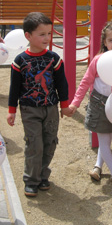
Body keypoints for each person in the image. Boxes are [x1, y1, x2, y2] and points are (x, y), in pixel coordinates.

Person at [7, 12, 72, 197]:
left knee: (49, 143)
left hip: (51, 109)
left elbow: (62, 84)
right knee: (34, 144)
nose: (47, 38)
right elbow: (14, 88)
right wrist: (11, 111)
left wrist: (64, 105)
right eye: (42, 34)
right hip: (29, 109)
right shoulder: (20, 61)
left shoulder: (54, 59)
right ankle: (31, 180)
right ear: (28, 36)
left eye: (49, 34)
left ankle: (43, 175)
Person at [69, 19, 112, 188]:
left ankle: (97, 166)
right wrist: (75, 104)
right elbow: (85, 82)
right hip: (99, 104)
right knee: (104, 138)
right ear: (105, 42)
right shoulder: (99, 60)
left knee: (106, 139)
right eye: (111, 40)